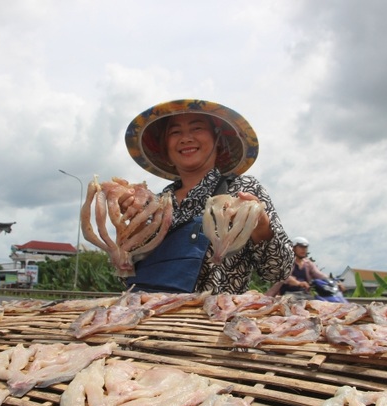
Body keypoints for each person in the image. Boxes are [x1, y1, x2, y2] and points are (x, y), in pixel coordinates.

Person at [122, 99, 293, 294]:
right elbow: (128, 278)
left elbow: (279, 271)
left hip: (214, 321)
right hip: (153, 319)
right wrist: (134, 229)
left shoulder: (243, 189)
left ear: (217, 139)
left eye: (197, 128)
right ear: (165, 148)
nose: (186, 138)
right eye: (175, 132)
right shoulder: (155, 204)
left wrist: (261, 226)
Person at [267, 236, 341, 296]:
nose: (304, 250)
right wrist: (299, 283)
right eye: (301, 247)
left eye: (305, 248)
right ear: (293, 248)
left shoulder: (308, 263)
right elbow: (286, 277)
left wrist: (333, 282)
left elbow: (319, 274)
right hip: (287, 295)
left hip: (304, 294)